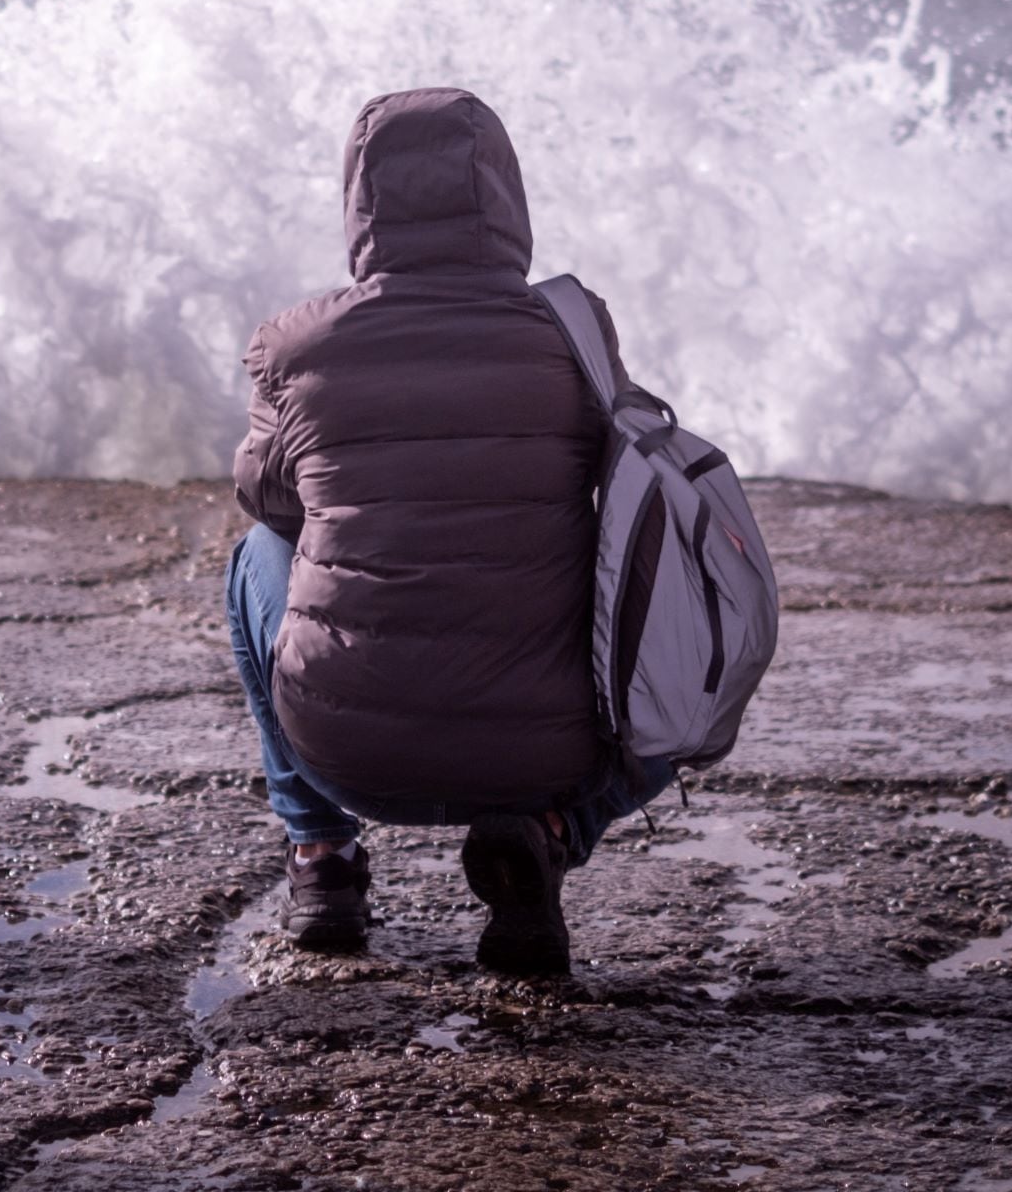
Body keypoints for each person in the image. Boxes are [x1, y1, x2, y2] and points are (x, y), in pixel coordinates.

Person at [224, 86, 674, 977]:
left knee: (256, 559)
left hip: (350, 754)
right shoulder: (570, 325)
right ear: (507, 197)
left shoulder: (296, 344)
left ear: (361, 204)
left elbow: (266, 500)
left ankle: (322, 858)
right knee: (653, 629)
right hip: (551, 749)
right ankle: (550, 831)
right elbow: (627, 494)